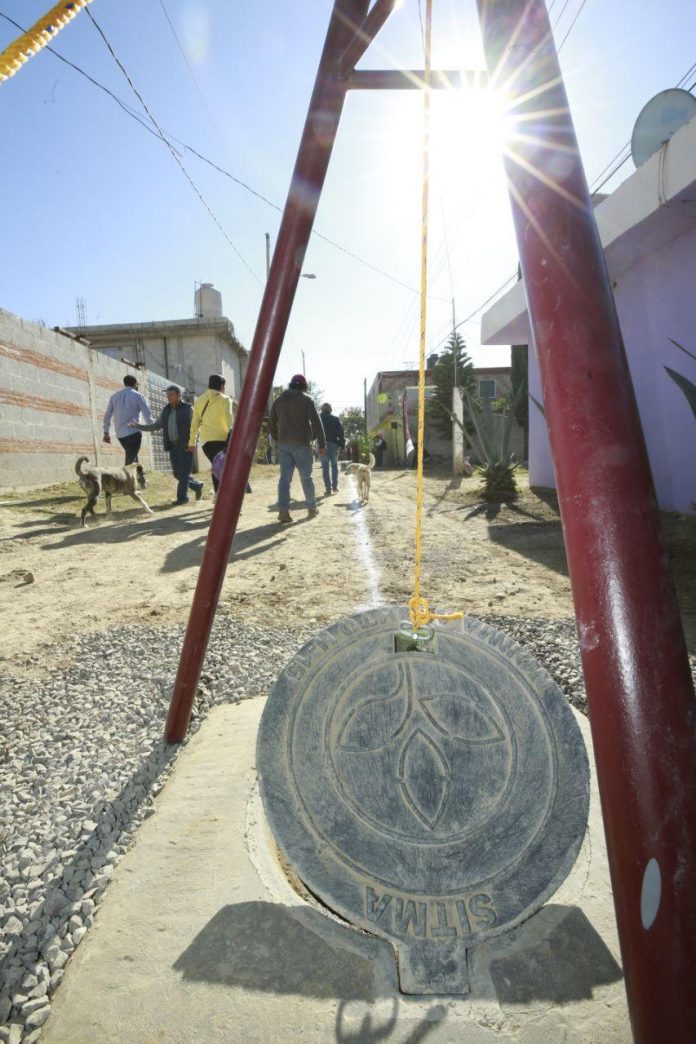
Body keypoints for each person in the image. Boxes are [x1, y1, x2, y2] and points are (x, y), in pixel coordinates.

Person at [130, 385, 203, 505]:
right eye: (167, 395)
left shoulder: (188, 408)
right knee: (177, 474)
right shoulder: (166, 410)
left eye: (171, 394)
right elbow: (156, 425)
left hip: (186, 445)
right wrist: (138, 426)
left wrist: (193, 443)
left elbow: (196, 427)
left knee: (184, 473)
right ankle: (196, 486)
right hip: (173, 446)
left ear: (179, 395)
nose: (168, 397)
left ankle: (182, 498)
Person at [269, 374, 326, 523]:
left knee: (284, 479)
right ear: (303, 387)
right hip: (302, 443)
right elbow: (316, 423)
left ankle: (283, 511)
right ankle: (312, 509)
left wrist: (278, 438)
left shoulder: (278, 401)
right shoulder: (306, 400)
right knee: (306, 478)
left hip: (284, 444)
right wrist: (322, 443)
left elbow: (271, 424)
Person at [187, 374, 233, 493]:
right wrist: (232, 435)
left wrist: (192, 442)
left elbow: (195, 423)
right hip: (222, 440)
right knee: (223, 467)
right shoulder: (225, 399)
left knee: (216, 465)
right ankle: (222, 496)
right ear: (222, 385)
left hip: (206, 442)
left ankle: (218, 495)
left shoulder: (199, 400)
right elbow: (229, 420)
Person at [103, 375, 154, 464]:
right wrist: (152, 427)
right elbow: (147, 414)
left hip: (120, 434)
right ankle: (126, 477)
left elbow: (107, 415)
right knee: (130, 460)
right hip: (133, 433)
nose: (138, 386)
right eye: (138, 384)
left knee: (132, 455)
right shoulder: (138, 396)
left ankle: (138, 476)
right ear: (135, 384)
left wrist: (106, 432)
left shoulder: (114, 397)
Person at [319, 403, 345, 495]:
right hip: (334, 445)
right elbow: (341, 434)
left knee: (325, 468)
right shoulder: (335, 419)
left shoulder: (319, 419)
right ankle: (335, 487)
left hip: (322, 446)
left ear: (322, 410)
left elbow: (314, 433)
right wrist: (342, 446)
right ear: (331, 410)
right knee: (334, 466)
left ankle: (328, 489)